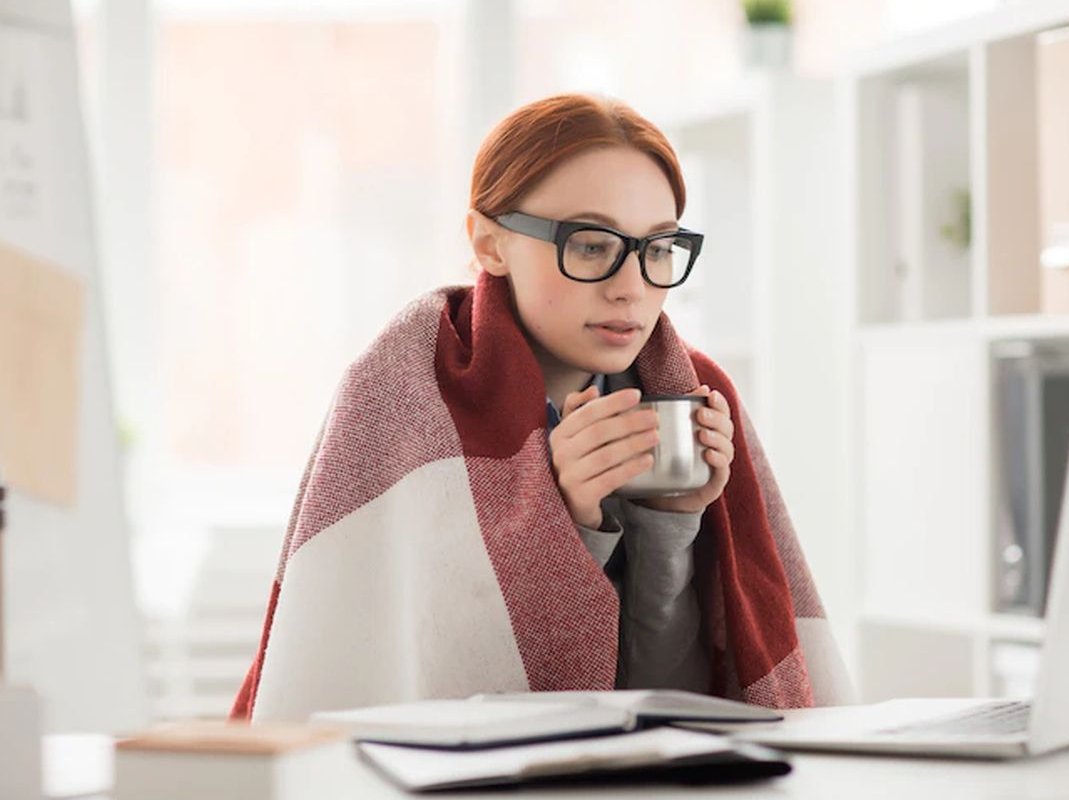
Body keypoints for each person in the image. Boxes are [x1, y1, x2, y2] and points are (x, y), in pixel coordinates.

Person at [232, 93, 852, 722]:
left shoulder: (694, 393)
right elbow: (440, 698)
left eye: (659, 249)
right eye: (589, 245)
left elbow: (676, 704)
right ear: (489, 243)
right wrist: (565, 526)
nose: (631, 287)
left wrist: (670, 522)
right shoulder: (403, 396)